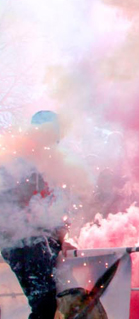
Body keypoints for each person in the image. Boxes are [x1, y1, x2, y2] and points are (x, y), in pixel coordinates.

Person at [1, 111, 71, 319]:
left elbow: (57, 204)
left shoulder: (51, 162)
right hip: (21, 241)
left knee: (47, 303)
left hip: (38, 240)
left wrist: (63, 237)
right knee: (44, 303)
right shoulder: (17, 162)